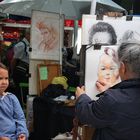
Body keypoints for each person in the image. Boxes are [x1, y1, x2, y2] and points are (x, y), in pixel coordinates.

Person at [75, 36, 140, 139]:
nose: (107, 73)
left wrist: (81, 97)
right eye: (103, 68)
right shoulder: (113, 97)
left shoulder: (112, 99)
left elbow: (87, 115)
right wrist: (112, 91)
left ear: (122, 68)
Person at [0, 63, 28, 140]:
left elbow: (20, 119)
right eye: (0, 78)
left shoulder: (12, 98)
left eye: (6, 78)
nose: (4, 82)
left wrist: (22, 133)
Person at [11, 29, 30, 107]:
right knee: (20, 91)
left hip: (25, 71)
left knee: (23, 91)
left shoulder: (28, 45)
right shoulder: (21, 45)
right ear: (27, 35)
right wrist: (12, 73)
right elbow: (14, 60)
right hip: (20, 72)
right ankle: (18, 107)